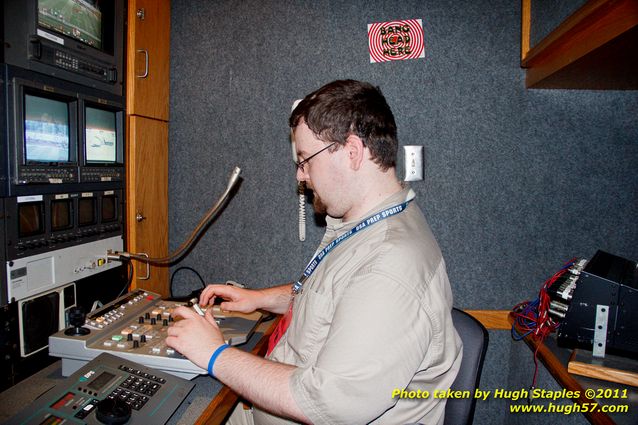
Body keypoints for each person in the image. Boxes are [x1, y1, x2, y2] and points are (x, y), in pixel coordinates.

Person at [166, 80, 462, 425]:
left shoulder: (391, 265)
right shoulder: (363, 226)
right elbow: (337, 297)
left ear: (352, 152)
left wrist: (214, 354)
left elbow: (326, 404)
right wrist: (261, 298)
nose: (300, 175)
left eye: (305, 159)